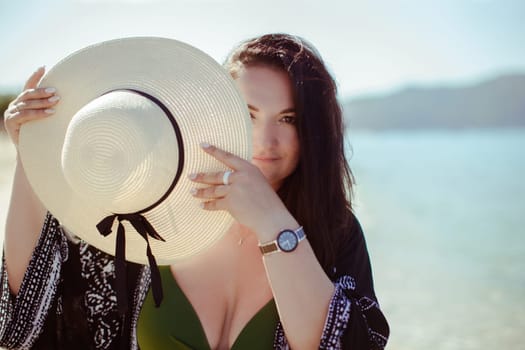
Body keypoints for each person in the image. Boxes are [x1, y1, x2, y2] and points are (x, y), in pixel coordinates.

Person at [1, 33, 389, 349]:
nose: (266, 140)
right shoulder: (149, 205)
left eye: (288, 119)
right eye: (249, 114)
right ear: (218, 112)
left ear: (314, 131)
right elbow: (26, 319)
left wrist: (273, 223)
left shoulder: (333, 232)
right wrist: (32, 156)